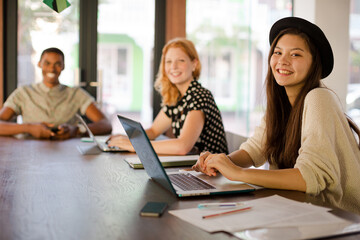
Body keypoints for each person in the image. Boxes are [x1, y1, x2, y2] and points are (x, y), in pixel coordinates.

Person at [193, 17, 360, 214]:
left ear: (315, 64)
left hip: (344, 221)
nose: (282, 60)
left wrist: (238, 173)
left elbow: (311, 176)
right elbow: (255, 150)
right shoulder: (281, 104)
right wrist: (218, 162)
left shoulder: (319, 97)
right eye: (277, 52)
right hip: (302, 212)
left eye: (296, 54)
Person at [108, 38, 228, 155]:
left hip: (213, 172)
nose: (173, 67)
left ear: (194, 64)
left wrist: (135, 145)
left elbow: (182, 146)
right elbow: (154, 131)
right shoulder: (177, 97)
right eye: (168, 61)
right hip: (193, 167)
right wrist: (127, 137)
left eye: (181, 60)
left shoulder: (200, 96)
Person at [0, 47, 112, 140]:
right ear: (39, 64)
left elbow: (106, 124)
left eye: (57, 64)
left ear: (63, 66)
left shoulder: (75, 94)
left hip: (67, 153)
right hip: (30, 153)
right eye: (47, 63)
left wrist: (77, 130)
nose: (52, 69)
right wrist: (29, 128)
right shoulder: (23, 93)